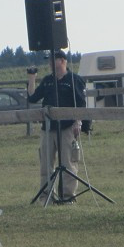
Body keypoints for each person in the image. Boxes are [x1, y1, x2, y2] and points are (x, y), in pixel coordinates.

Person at [26, 51, 86, 203]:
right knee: (46, 165)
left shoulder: (74, 80)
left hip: (67, 128)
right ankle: (46, 197)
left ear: (63, 61)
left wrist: (78, 122)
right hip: (48, 128)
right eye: (49, 61)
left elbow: (81, 104)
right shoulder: (47, 81)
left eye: (53, 60)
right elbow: (33, 97)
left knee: (68, 164)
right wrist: (31, 78)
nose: (50, 63)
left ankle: (68, 197)